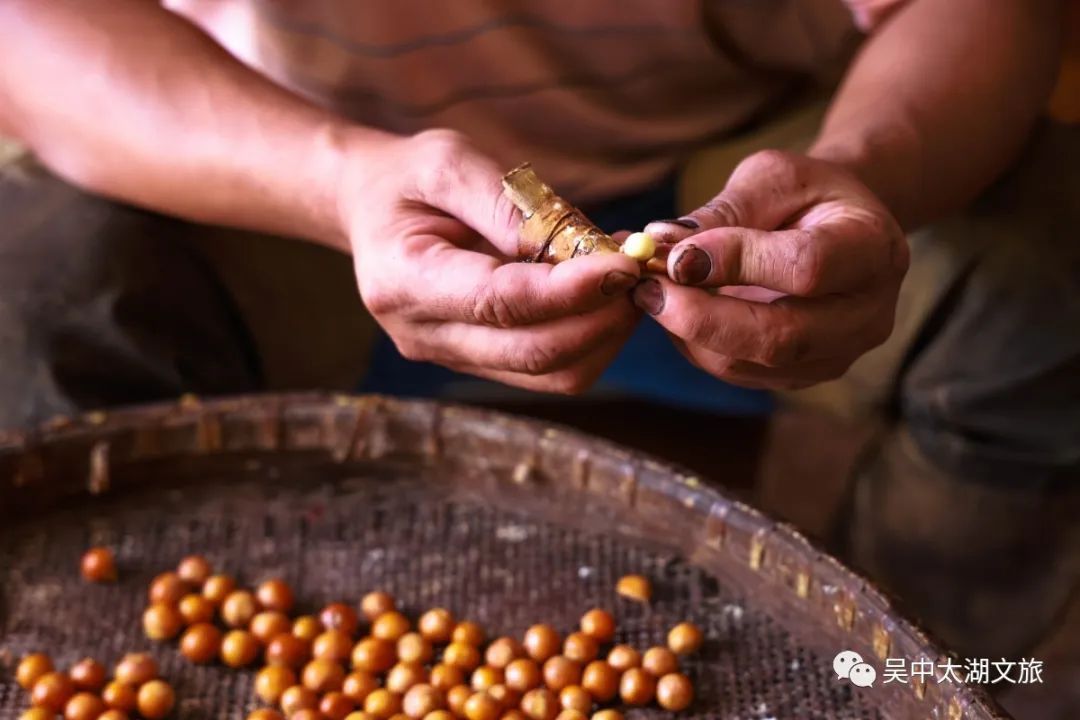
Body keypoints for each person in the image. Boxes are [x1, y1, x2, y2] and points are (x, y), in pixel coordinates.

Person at [1, 1, 1076, 657]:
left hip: (737, 146)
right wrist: (337, 179)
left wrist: (865, 172)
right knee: (43, 289)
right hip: (274, 146)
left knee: (1045, 270)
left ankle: (903, 673)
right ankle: (161, 654)